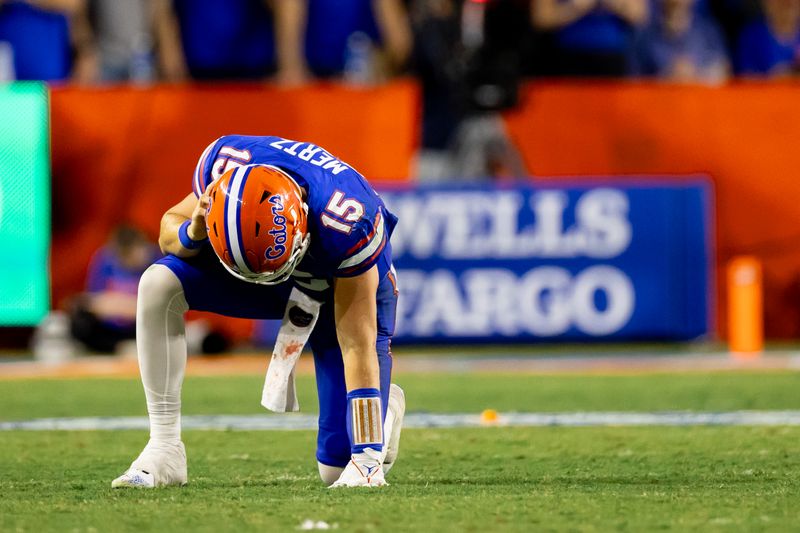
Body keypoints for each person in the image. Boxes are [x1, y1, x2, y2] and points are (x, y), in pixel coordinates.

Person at [112, 135, 405, 489]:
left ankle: (383, 411)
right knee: (158, 283)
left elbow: (358, 345)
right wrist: (194, 231)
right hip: (270, 267)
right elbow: (168, 229)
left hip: (336, 285)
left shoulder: (347, 221)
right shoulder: (227, 167)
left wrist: (368, 458)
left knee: (339, 467)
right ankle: (163, 448)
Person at [69, 225, 158, 354]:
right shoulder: (104, 259)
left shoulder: (157, 260)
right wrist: (130, 306)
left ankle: (137, 345)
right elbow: (94, 302)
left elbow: (159, 307)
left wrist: (118, 304)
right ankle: (120, 347)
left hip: (141, 327)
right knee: (80, 321)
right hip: (111, 328)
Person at [531, 0, 649, 77]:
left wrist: (615, 4)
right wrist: (575, 7)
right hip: (566, 55)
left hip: (611, 56)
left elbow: (639, 16)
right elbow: (541, 19)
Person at [633, 0, 730, 83]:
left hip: (700, 100)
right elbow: (634, 81)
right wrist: (667, 78)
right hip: (659, 101)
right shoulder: (644, 36)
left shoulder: (708, 31)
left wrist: (696, 76)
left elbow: (723, 72)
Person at [734, 0, 800, 76]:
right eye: (782, 2)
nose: (789, 2)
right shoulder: (752, 37)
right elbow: (744, 78)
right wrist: (773, 78)